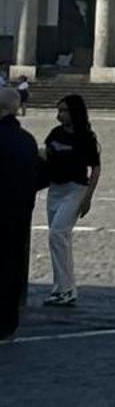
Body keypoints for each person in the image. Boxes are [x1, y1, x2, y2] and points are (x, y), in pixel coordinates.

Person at [41, 94, 99, 307]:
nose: (60, 114)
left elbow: (96, 167)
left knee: (58, 233)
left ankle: (65, 289)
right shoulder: (55, 134)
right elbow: (46, 155)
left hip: (75, 189)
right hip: (55, 189)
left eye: (64, 110)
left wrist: (88, 197)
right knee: (58, 239)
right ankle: (63, 288)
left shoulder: (86, 137)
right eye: (59, 110)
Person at [1, 82, 45, 344]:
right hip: (19, 214)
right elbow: (39, 176)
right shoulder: (28, 141)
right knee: (12, 268)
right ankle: (8, 323)